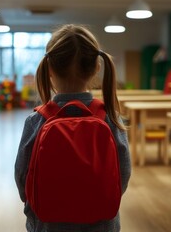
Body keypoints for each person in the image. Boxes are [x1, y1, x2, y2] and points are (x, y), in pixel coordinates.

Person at [15, 24, 131, 232]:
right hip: (101, 223)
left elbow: (22, 177)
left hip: (48, 223)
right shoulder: (110, 118)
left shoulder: (36, 120)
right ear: (97, 67)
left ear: (49, 68)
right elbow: (123, 173)